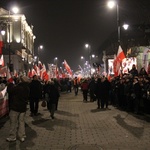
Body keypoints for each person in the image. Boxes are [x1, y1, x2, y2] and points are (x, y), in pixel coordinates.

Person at [6, 76, 30, 142]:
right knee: (21, 122)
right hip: (22, 108)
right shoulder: (27, 88)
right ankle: (22, 136)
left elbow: (10, 91)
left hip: (15, 107)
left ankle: (12, 136)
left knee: (13, 122)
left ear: (20, 81)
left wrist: (10, 83)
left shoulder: (19, 87)